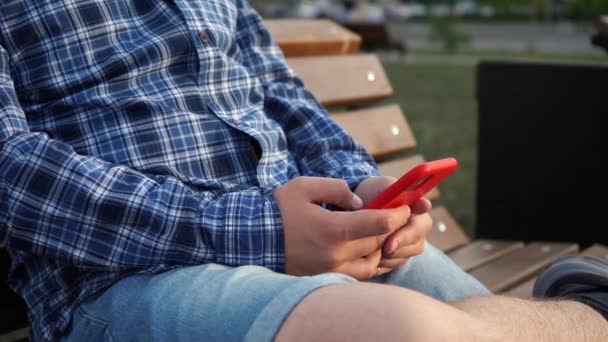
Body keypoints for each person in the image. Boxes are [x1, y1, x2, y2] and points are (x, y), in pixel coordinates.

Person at [0, 1, 606, 341]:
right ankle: (589, 313)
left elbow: (282, 94)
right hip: (128, 279)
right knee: (415, 334)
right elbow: (11, 171)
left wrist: (359, 188)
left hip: (313, 240)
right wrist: (262, 231)